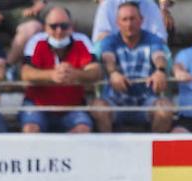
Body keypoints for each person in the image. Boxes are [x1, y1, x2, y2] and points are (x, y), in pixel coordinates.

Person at [93, 0, 173, 132]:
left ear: (141, 20)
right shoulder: (110, 40)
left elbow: (158, 55)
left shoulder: (152, 39)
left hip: (146, 100)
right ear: (117, 23)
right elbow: (108, 57)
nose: (129, 24)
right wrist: (113, 73)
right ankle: (106, 150)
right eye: (124, 19)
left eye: (133, 19)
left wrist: (160, 70)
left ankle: (152, 149)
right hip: (115, 101)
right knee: (98, 107)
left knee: (165, 109)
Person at [19, 5, 101, 133]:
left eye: (64, 26)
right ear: (45, 27)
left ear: (71, 26)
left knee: (83, 129)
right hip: (38, 105)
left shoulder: (82, 40)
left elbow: (95, 72)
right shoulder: (36, 41)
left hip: (72, 107)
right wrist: (51, 75)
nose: (59, 31)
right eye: (53, 26)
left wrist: (76, 74)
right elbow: (26, 73)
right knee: (30, 129)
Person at [92, 0, 167, 43]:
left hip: (146, 51)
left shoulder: (151, 5)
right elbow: (99, 39)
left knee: (163, 51)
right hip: (114, 52)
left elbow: (161, 38)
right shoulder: (107, 5)